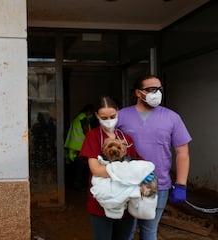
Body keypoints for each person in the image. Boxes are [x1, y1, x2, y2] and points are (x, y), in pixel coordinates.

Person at [117, 75, 192, 240]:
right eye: (151, 89)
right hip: (126, 183)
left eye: (159, 89)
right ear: (138, 93)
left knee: (149, 231)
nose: (157, 93)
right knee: (124, 232)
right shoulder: (121, 116)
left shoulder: (172, 117)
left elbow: (182, 152)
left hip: (156, 184)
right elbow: (107, 146)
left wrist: (181, 184)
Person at [79, 96, 142, 240]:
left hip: (126, 203)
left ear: (118, 113)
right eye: (104, 117)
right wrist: (126, 172)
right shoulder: (93, 136)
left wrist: (145, 173)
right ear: (97, 116)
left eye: (112, 116)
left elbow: (137, 162)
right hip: (101, 203)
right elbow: (96, 170)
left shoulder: (126, 138)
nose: (109, 120)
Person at [64, 104, 95, 191]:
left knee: (77, 168)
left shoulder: (77, 118)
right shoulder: (83, 119)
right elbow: (87, 133)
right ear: (89, 112)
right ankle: (78, 185)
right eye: (92, 113)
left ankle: (77, 184)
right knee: (80, 169)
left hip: (74, 147)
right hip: (78, 148)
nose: (92, 115)